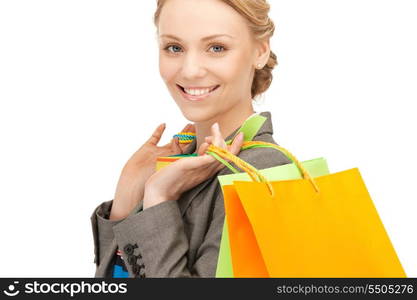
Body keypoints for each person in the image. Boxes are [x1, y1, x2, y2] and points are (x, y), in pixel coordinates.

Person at [90, 0, 291, 278]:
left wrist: (159, 197)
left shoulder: (265, 172)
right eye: (174, 48)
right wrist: (127, 198)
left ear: (260, 51)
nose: (190, 70)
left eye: (217, 48)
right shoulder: (179, 163)